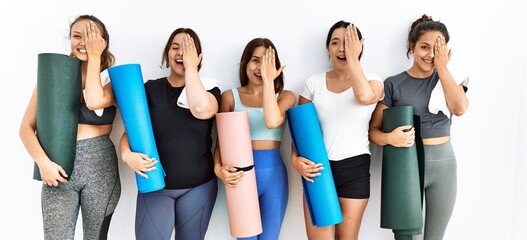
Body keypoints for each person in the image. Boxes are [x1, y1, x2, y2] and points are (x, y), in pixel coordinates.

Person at [19, 15, 121, 240]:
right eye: (77, 36)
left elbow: (94, 101)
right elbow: (25, 127)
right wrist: (43, 163)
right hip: (57, 169)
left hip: (100, 169)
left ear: (102, 42)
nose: (83, 41)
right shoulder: (53, 77)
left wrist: (94, 58)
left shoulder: (111, 80)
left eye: (91, 36)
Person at [368, 14, 469, 240]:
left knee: (435, 237)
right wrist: (390, 139)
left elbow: (460, 108)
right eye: (424, 47)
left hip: (444, 164)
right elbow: (373, 130)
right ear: (412, 47)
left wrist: (442, 69)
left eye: (437, 49)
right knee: (406, 237)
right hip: (406, 163)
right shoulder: (393, 84)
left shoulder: (450, 79)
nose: (430, 55)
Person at [119, 28, 220, 240]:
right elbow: (131, 132)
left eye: (188, 49)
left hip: (198, 187)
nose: (181, 53)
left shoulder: (211, 90)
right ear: (167, 54)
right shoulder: (150, 89)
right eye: (175, 48)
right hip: (156, 186)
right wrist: (128, 156)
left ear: (198, 57)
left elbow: (201, 109)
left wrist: (191, 69)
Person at [291, 20, 384, 240]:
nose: (342, 48)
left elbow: (364, 97)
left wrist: (353, 59)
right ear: (328, 48)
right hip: (318, 169)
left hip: (355, 169)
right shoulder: (313, 83)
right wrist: (295, 160)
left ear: (360, 45)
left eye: (348, 43)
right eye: (335, 43)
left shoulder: (373, 81)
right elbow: (299, 131)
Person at [214, 38, 295, 239]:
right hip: (239, 177)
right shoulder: (229, 97)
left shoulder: (286, 97)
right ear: (245, 64)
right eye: (255, 60)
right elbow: (220, 142)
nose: (260, 68)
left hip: (274, 176)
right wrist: (218, 169)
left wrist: (269, 82)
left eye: (267, 62)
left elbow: (272, 120)